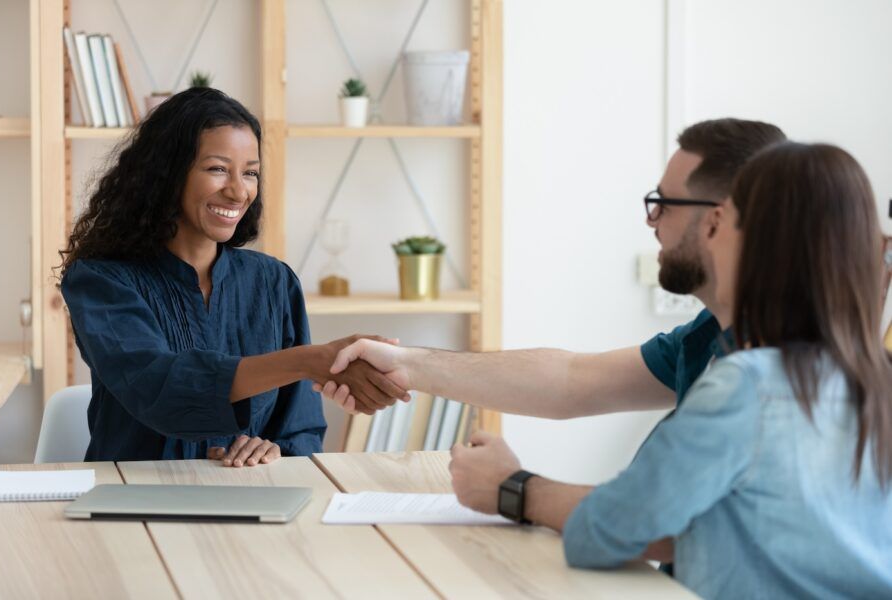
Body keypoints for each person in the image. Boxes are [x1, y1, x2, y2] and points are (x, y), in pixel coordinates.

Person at [317, 119, 785, 561]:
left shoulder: (772, 369)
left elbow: (662, 526)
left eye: (664, 203)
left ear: (716, 222)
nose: (652, 220)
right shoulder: (706, 338)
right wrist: (407, 364)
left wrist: (514, 488)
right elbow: (571, 379)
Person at [461, 142, 892, 598]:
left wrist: (509, 486)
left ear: (757, 245)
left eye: (722, 223)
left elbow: (611, 528)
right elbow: (572, 381)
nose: (710, 237)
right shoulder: (875, 379)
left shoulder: (748, 387)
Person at [59, 88, 408, 465]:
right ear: (168, 174)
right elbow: (159, 387)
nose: (239, 191)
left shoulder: (273, 283)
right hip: (129, 504)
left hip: (251, 501)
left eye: (251, 173)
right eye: (218, 169)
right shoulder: (100, 281)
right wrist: (309, 359)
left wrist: (274, 451)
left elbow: (299, 432)